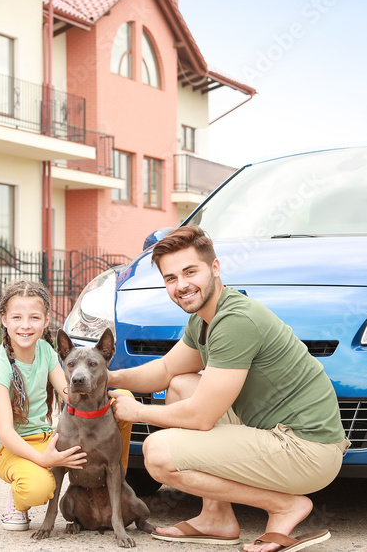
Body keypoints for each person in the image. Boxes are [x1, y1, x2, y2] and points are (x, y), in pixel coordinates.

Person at [108, 226, 349, 552]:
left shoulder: (236, 320)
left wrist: (136, 411)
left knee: (158, 454)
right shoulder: (206, 318)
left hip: (305, 450)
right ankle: (215, 518)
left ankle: (283, 506)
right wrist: (110, 379)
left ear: (215, 268)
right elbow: (166, 370)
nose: (181, 285)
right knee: (180, 385)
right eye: (171, 278)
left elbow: (202, 417)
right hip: (277, 434)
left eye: (190, 272)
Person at [0, 280, 134, 532]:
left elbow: (68, 393)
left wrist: (96, 392)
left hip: (45, 438)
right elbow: (5, 434)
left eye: (34, 317)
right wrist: (44, 459)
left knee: (122, 400)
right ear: (4, 320)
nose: (26, 325)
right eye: (17, 317)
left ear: (45, 320)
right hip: (11, 446)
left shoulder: (45, 350)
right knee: (38, 488)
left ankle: (111, 477)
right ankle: (17, 498)